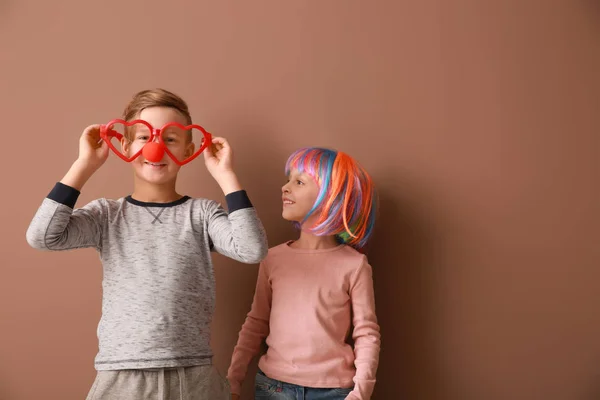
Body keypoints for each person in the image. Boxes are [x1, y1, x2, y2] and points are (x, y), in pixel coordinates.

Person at [26, 88, 268, 400]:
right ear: (124, 145)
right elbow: (43, 236)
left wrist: (226, 176)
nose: (156, 149)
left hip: (192, 373)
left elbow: (251, 249)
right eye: (144, 137)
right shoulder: (107, 215)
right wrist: (85, 164)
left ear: (187, 150)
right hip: (122, 373)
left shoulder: (202, 214)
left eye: (170, 139)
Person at [227, 147, 380, 399]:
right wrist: (233, 379)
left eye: (299, 182)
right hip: (273, 388)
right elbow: (256, 322)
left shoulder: (354, 265)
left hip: (333, 391)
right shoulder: (272, 258)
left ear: (331, 197)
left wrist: (360, 393)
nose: (284, 187)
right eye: (288, 180)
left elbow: (366, 333)